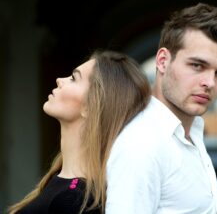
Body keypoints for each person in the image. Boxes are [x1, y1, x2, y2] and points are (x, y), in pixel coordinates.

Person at [106, 2, 217, 214]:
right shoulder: (141, 146)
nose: (210, 82)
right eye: (197, 65)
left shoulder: (190, 133)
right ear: (162, 61)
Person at [8, 50, 151, 214]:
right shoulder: (63, 187)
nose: (59, 80)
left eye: (73, 78)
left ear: (91, 106)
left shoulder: (74, 201)